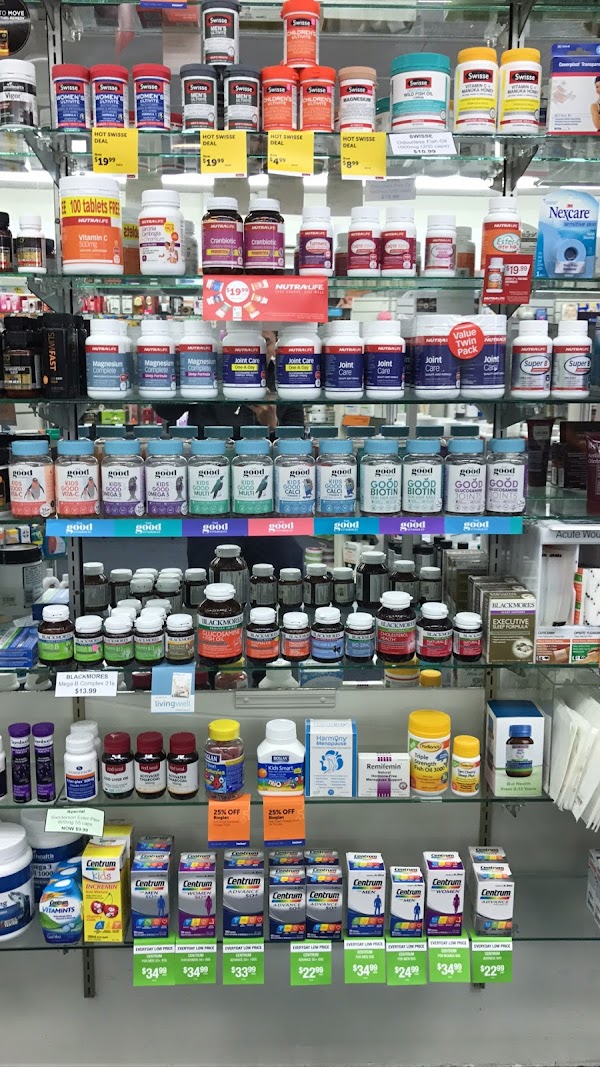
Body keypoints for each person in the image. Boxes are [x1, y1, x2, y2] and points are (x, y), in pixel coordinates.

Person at [154, 328, 307, 573]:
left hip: (265, 503)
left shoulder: (289, 380)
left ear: (275, 344)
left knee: (285, 567)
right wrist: (188, 376)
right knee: (209, 573)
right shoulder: (211, 372)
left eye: (264, 342)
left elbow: (297, 455)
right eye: (244, 344)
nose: (252, 352)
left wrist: (271, 426)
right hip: (209, 499)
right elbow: (164, 410)